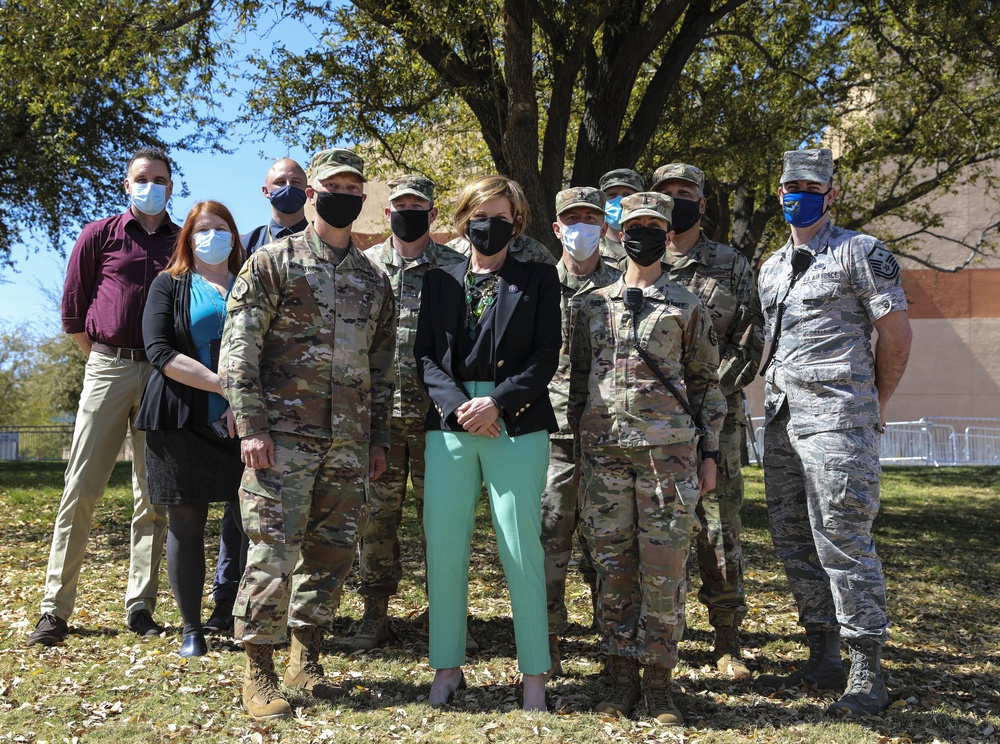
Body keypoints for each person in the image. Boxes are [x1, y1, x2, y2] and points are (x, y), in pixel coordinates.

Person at [220, 147, 397, 721]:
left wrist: (377, 441)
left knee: (331, 554)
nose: (344, 195)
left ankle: (308, 654)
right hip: (282, 439)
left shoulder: (375, 281)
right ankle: (259, 670)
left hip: (347, 442)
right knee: (272, 551)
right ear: (313, 193)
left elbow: (382, 367)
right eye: (333, 186)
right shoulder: (273, 263)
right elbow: (239, 350)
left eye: (354, 187)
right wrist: (250, 426)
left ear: (362, 198)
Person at [755, 149, 912, 717]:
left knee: (844, 541)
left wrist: (877, 403)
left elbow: (895, 334)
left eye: (810, 185)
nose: (799, 194)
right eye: (790, 185)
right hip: (781, 419)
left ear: (830, 193)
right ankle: (823, 654)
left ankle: (868, 670)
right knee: (795, 541)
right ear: (779, 193)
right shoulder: (771, 266)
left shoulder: (860, 252)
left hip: (840, 420)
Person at [569, 192, 726, 724]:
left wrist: (709, 454)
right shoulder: (590, 304)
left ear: (666, 234)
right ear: (619, 232)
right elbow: (576, 384)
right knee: (613, 569)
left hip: (670, 458)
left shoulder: (687, 305)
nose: (644, 234)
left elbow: (706, 385)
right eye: (634, 225)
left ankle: (659, 683)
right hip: (606, 458)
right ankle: (618, 678)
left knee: (664, 571)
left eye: (654, 226)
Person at [415, 175, 560, 711]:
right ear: (463, 218)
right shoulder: (439, 280)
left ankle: (535, 678)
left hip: (514, 422)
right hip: (451, 423)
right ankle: (447, 667)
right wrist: (457, 405)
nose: (488, 225)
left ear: (516, 224)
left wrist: (497, 402)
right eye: (479, 215)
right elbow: (425, 356)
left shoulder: (540, 278)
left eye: (500, 217)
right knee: (445, 545)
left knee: (520, 547)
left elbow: (547, 353)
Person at [28, 147, 177, 647]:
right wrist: (104, 359)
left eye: (159, 179)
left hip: (162, 376)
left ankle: (141, 605)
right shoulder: (99, 235)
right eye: (142, 177)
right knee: (81, 489)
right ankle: (54, 609)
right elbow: (74, 313)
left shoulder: (183, 243)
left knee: (151, 495)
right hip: (108, 366)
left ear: (172, 187)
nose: (150, 185)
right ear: (126, 183)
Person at [650, 163, 764, 679]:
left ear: (702, 201)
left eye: (686, 193)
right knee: (656, 524)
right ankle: (654, 633)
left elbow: (751, 337)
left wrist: (708, 395)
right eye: (667, 193)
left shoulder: (729, 263)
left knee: (719, 528)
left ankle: (726, 639)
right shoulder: (635, 258)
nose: (677, 201)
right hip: (653, 426)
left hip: (719, 422)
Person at [347, 174, 467, 651]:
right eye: (400, 205)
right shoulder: (366, 266)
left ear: (433, 214)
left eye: (418, 205)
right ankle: (375, 614)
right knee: (377, 519)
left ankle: (449, 617)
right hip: (379, 416)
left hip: (440, 419)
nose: (407, 212)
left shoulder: (457, 267)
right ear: (386, 213)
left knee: (444, 519)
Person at [135, 200, 247, 657]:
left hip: (246, 423)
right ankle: (191, 629)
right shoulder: (168, 284)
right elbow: (158, 350)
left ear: (235, 236)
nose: (212, 237)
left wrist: (243, 402)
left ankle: (237, 612)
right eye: (203, 229)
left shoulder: (252, 281)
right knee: (186, 521)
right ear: (187, 238)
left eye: (221, 228)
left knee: (247, 520)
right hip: (179, 419)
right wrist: (225, 388)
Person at [205, 158, 309, 636]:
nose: (287, 189)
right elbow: (235, 331)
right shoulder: (246, 247)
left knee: (304, 516)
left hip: (308, 402)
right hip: (255, 400)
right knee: (242, 510)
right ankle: (226, 602)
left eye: (296, 183)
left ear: (308, 193)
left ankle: (295, 615)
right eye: (279, 183)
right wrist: (238, 401)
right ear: (264, 191)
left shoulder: (323, 242)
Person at [542, 186, 621, 677]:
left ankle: (613, 647)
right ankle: (544, 642)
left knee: (611, 544)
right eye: (573, 218)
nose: (583, 227)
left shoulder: (622, 287)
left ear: (605, 226)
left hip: (609, 435)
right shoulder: (534, 285)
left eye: (592, 217)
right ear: (557, 228)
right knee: (548, 539)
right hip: (549, 435)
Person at [241, 158, 310, 255]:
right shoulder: (248, 244)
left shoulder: (324, 239)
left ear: (308, 191)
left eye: (296, 182)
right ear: (266, 191)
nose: (288, 187)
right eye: (280, 182)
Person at [597, 168, 644, 262]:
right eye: (612, 194)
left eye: (627, 195)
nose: (620, 200)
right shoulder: (590, 248)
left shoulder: (652, 246)